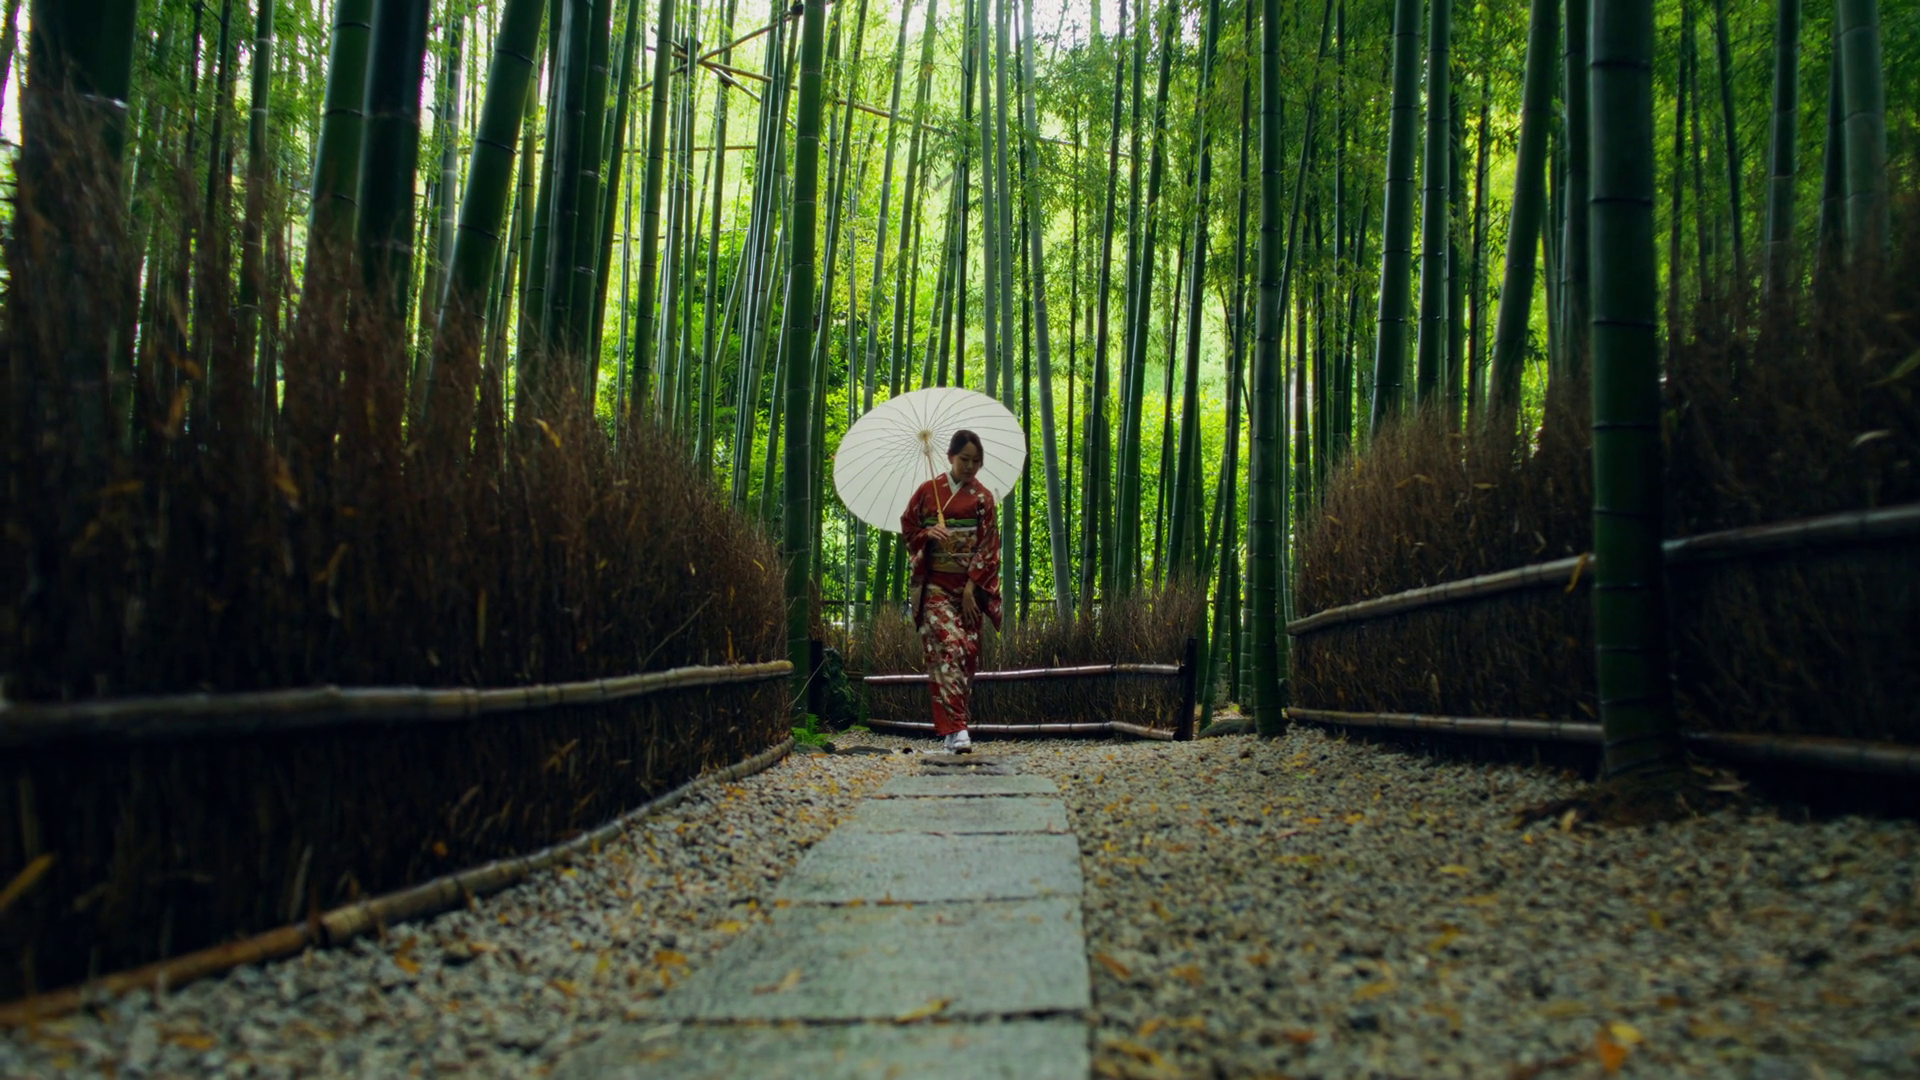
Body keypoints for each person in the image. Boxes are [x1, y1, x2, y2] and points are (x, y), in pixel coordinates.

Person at [900, 430, 1003, 754]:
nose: (970, 466)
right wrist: (928, 533)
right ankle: (959, 729)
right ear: (950, 457)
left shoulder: (983, 498)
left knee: (967, 654)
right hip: (936, 587)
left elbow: (988, 547)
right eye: (964, 459)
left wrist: (972, 588)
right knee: (949, 647)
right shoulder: (926, 492)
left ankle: (951, 729)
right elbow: (908, 527)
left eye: (976, 461)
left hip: (968, 588)